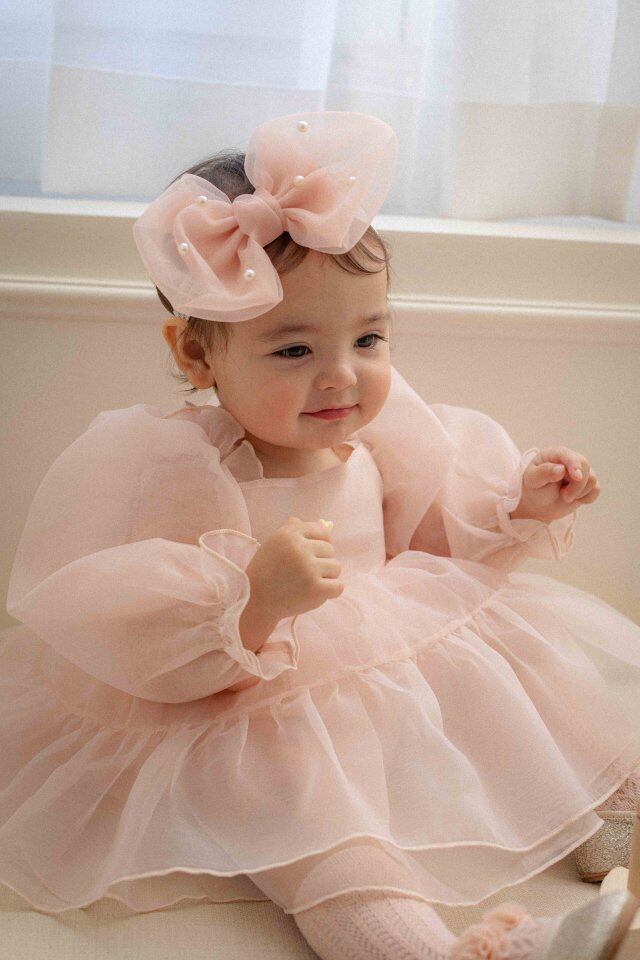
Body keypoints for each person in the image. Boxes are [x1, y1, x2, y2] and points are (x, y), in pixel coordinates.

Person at [1, 110, 639, 959]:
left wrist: (522, 503)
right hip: (258, 714)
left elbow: (433, 539)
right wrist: (253, 599)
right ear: (197, 356)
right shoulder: (182, 466)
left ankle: (609, 809)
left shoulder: (381, 433)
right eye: (293, 351)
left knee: (538, 661)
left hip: (391, 668)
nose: (342, 376)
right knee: (319, 835)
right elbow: (137, 632)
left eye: (368, 337)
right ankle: (447, 953)